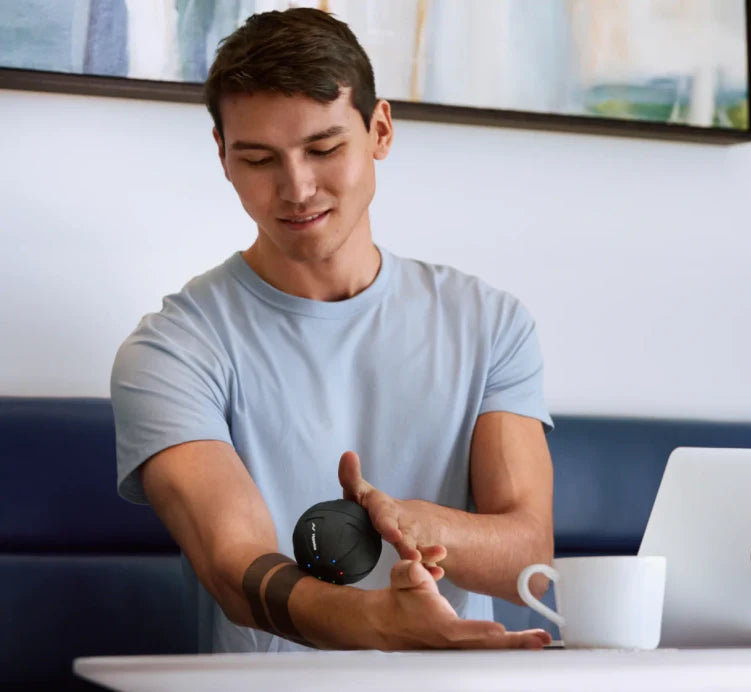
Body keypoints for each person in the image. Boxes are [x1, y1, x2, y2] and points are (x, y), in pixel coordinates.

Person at [111, 7, 554, 653]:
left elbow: (529, 557)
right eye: (259, 158)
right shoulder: (172, 349)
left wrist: (415, 523)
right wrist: (377, 623)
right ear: (222, 156)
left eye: (324, 149)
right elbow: (233, 565)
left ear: (380, 130)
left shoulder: (491, 323)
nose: (296, 187)